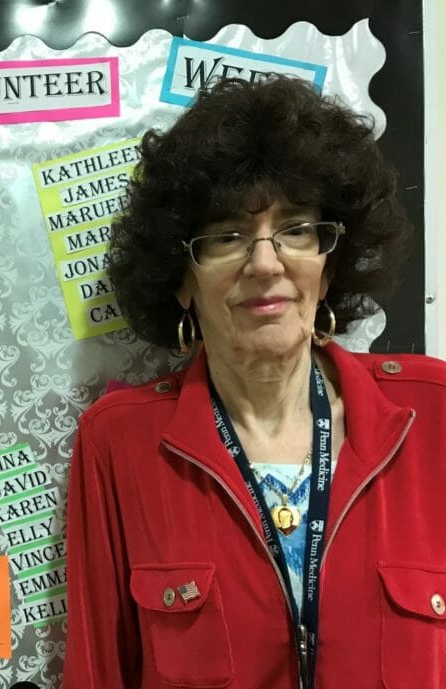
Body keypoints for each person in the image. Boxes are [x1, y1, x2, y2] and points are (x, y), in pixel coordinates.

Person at [63, 76, 445, 689]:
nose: (265, 263)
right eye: (227, 237)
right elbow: (97, 675)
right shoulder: (119, 444)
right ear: (181, 280)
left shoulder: (434, 416)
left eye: (295, 228)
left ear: (329, 261)